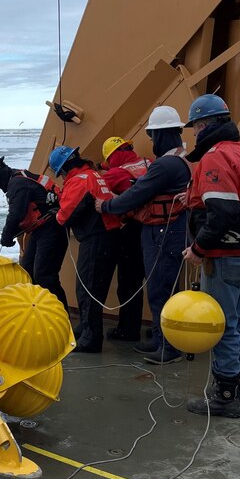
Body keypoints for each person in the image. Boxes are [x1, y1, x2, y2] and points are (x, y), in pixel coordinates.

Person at [179, 95, 240, 418]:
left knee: (222, 325)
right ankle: (239, 386)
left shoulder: (215, 158)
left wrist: (198, 249)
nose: (193, 135)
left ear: (203, 126)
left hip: (223, 255)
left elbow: (223, 211)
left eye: (195, 128)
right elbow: (239, 199)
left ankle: (224, 395)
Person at [96, 107, 191, 364]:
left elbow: (137, 195)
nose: (152, 142)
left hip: (162, 233)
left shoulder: (167, 164)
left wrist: (106, 206)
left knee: (160, 289)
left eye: (152, 136)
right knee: (164, 287)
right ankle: (161, 339)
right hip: (171, 230)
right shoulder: (182, 159)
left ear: (159, 135)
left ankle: (169, 348)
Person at [49, 146, 122, 353]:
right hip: (108, 235)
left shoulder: (80, 180)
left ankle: (91, 338)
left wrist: (56, 213)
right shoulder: (93, 175)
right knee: (93, 287)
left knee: (88, 288)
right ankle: (86, 326)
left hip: (97, 238)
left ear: (63, 169)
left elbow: (65, 216)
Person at [0, 155, 68, 310]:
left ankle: (61, 314)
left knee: (44, 275)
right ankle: (39, 310)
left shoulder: (18, 184)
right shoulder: (18, 178)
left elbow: (16, 214)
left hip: (52, 229)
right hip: (40, 229)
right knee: (27, 269)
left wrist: (5, 237)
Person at [99, 137, 150, 341]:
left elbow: (97, 188)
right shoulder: (149, 163)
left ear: (114, 155)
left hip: (135, 230)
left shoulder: (116, 173)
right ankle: (162, 331)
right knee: (158, 283)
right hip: (158, 229)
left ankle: (128, 330)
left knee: (129, 282)